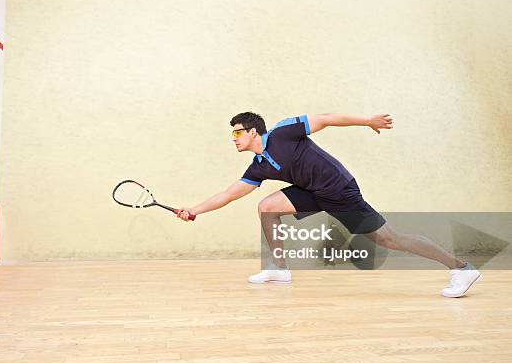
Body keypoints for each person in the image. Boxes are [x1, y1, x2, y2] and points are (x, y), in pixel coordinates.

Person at [176, 112, 482, 298]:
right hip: (313, 192)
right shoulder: (258, 166)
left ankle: (461, 268)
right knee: (267, 206)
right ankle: (280, 269)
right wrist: (194, 210)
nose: (234, 138)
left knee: (390, 239)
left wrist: (367, 121)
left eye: (237, 132)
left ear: (253, 131)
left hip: (340, 190)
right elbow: (230, 193)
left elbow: (324, 119)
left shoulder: (283, 132)